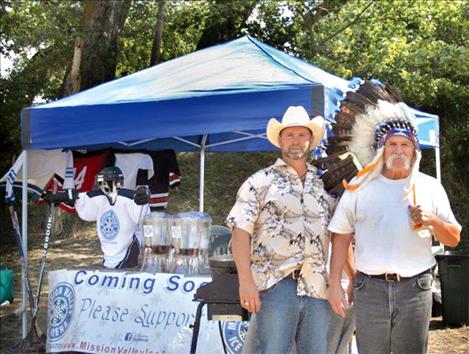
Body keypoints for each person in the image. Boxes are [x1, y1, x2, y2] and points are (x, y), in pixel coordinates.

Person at [327, 101, 461, 354]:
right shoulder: (360, 186)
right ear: (381, 149)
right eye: (392, 144)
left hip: (415, 288)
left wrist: (432, 220)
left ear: (414, 150)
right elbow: (341, 236)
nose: (399, 151)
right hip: (370, 289)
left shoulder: (430, 187)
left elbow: (453, 238)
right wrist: (335, 283)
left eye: (405, 145)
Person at [226, 106, 335, 354]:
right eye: (290, 135)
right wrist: (245, 282)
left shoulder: (326, 185)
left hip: (318, 286)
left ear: (310, 140)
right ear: (280, 141)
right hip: (275, 284)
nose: (296, 141)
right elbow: (240, 231)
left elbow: (341, 234)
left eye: (301, 135)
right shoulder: (259, 182)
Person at [44, 166, 151, 269]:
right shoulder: (98, 197)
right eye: (102, 181)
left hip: (128, 250)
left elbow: (142, 207)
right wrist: (62, 197)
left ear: (119, 182)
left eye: (109, 180)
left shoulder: (130, 197)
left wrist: (143, 197)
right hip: (108, 252)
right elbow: (78, 198)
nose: (106, 185)